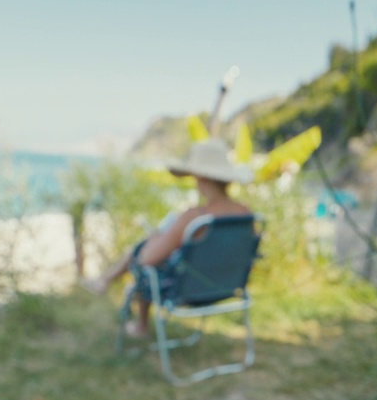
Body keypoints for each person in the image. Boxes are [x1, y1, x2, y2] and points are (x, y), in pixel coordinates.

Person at [82, 139, 252, 338]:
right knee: (150, 255)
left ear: (200, 178)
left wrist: (155, 238)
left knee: (143, 260)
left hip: (186, 292)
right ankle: (106, 281)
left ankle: (138, 324)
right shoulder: (246, 214)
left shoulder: (195, 218)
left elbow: (147, 259)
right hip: (227, 287)